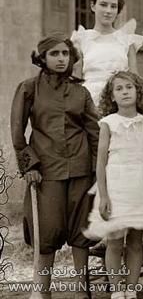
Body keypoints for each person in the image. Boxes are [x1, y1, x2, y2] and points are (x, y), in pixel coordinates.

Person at [10, 33, 99, 299]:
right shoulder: (28, 88)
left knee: (81, 230)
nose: (61, 59)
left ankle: (82, 291)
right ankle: (42, 291)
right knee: (46, 230)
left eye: (65, 54)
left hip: (82, 169)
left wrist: (97, 170)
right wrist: (29, 166)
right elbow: (17, 131)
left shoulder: (81, 92)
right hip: (45, 171)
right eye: (54, 54)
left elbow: (94, 131)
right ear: (42, 58)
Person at [84, 71, 143, 299]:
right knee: (115, 240)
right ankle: (117, 291)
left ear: (138, 92)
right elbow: (101, 162)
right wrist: (104, 195)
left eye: (129, 87)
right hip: (117, 185)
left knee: (136, 242)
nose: (125, 91)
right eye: (119, 88)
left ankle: (132, 288)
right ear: (112, 96)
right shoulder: (109, 123)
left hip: (140, 186)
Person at [71, 0, 143, 105]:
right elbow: (76, 79)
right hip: (89, 102)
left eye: (113, 7)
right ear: (93, 6)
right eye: (103, 5)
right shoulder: (81, 39)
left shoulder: (126, 40)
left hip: (119, 101)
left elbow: (134, 77)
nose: (108, 11)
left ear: (118, 11)